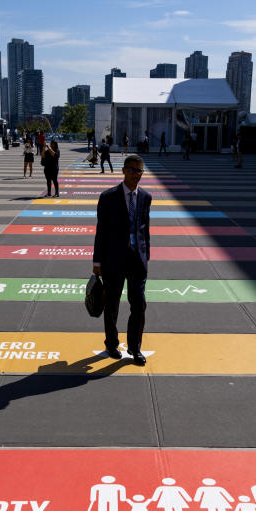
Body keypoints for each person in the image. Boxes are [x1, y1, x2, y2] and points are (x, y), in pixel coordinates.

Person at [92, 154, 151, 365]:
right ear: (124, 170)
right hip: (113, 260)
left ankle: (135, 348)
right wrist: (97, 262)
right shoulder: (108, 197)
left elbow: (145, 230)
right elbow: (101, 231)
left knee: (139, 304)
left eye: (140, 171)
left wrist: (146, 257)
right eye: (133, 170)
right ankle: (111, 343)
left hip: (137, 261)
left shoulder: (145, 197)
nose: (137, 174)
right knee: (112, 305)